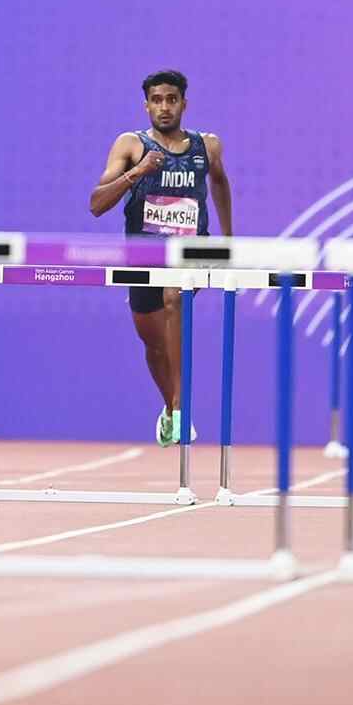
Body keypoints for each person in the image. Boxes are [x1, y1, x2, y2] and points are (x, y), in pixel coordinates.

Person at [86, 70, 234, 446]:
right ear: (146, 106)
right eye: (157, 100)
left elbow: (219, 182)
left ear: (184, 103)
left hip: (191, 252)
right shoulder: (130, 145)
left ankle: (182, 407)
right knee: (153, 345)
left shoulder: (207, 146)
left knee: (174, 296)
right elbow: (96, 204)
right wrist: (138, 172)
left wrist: (228, 240)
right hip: (142, 255)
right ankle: (170, 408)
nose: (164, 107)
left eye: (171, 99)